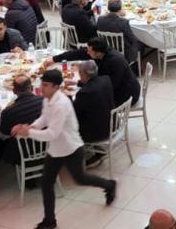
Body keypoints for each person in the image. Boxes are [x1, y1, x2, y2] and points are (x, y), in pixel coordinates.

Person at [10, 70, 116, 229]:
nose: (41, 88)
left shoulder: (61, 105)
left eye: (45, 85)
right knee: (47, 183)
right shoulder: (48, 99)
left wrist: (28, 133)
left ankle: (109, 185)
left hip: (71, 147)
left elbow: (52, 133)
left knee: (80, 179)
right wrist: (30, 126)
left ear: (55, 87)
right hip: (56, 149)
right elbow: (44, 118)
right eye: (42, 84)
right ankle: (49, 220)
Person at [53, 37, 140, 107]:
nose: (87, 52)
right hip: (116, 87)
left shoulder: (114, 62)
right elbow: (78, 53)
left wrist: (80, 85)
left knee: (86, 102)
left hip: (127, 94)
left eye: (89, 51)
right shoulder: (100, 52)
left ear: (97, 53)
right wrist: (54, 59)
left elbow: (107, 86)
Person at [0, 75, 44, 167]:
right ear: (32, 88)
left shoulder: (8, 111)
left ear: (14, 91)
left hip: (22, 154)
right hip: (47, 147)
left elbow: (4, 132)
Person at [72, 60, 114, 149]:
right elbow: (92, 83)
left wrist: (67, 98)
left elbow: (73, 112)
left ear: (83, 74)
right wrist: (77, 83)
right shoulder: (106, 79)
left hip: (97, 133)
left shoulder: (84, 93)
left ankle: (75, 153)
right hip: (112, 124)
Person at [96, 0, 141, 66]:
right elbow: (133, 40)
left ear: (108, 8)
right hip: (123, 54)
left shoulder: (99, 20)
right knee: (140, 43)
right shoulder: (123, 22)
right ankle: (135, 67)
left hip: (107, 50)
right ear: (120, 9)